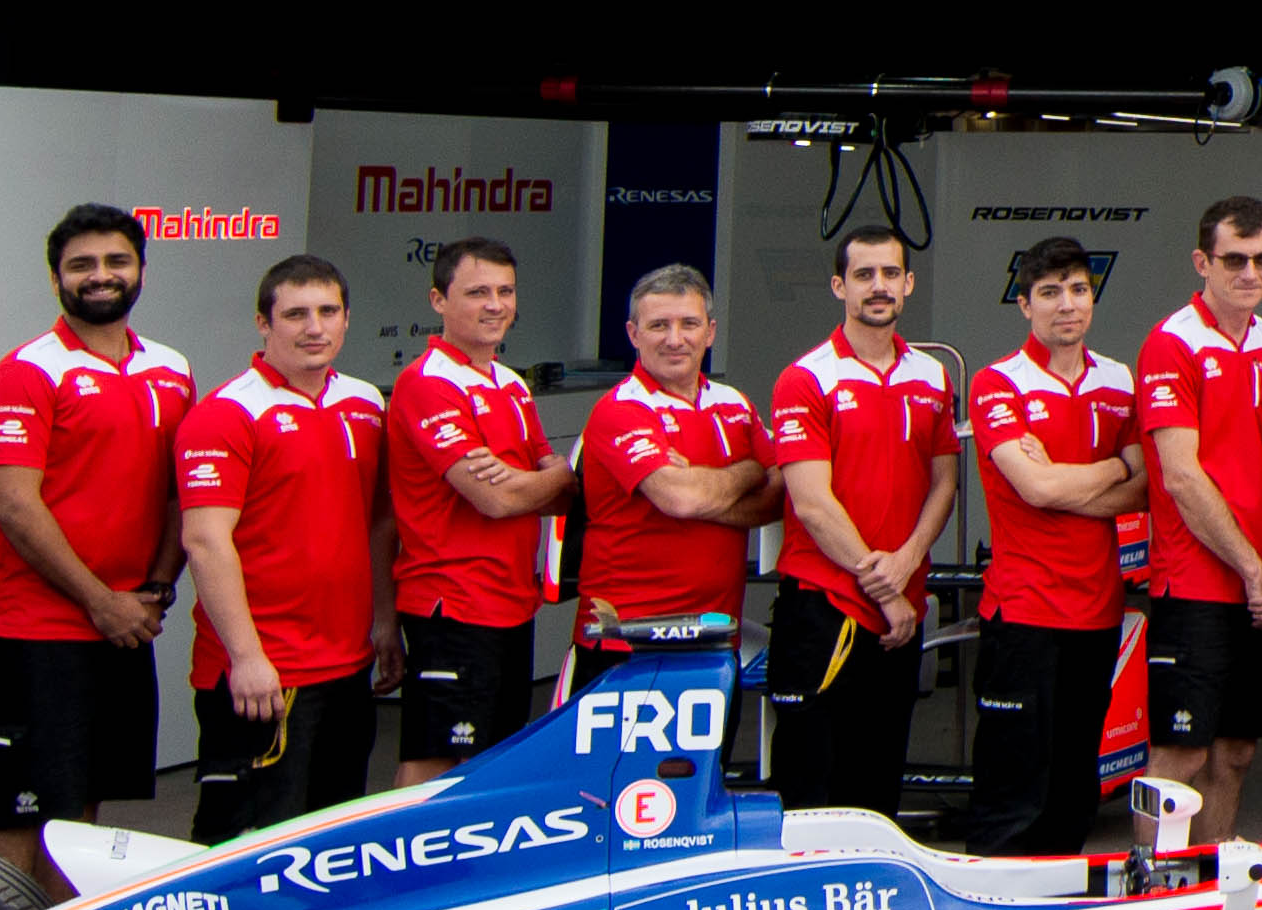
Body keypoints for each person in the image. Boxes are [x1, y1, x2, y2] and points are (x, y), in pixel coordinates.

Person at [0, 201, 190, 888]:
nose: (101, 275)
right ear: (57, 276)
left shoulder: (171, 368)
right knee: (18, 814)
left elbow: (183, 491)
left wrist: (150, 591)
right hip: (34, 629)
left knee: (80, 817)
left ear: (141, 269)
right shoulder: (28, 370)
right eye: (81, 264)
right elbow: (13, 503)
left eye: (116, 261)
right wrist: (101, 600)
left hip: (123, 627)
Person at [177, 252, 391, 845]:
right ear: (264, 324)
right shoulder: (227, 413)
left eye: (328, 311)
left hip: (348, 666)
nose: (314, 327)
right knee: (240, 844)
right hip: (264, 674)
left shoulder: (366, 403)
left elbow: (377, 524)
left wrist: (384, 623)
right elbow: (204, 539)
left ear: (347, 320)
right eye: (295, 314)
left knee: (329, 840)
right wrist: (246, 657)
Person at [763, 229, 960, 818]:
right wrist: (886, 586)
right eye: (864, 274)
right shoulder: (806, 377)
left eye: (890, 274)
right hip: (828, 604)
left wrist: (903, 572)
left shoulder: (930, 375)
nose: (879, 287)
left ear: (908, 284)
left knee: (876, 783)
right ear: (838, 285)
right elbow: (812, 502)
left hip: (902, 603)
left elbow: (944, 483)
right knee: (811, 784)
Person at [1128, 197, 1262, 853]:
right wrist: (1254, 567)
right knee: (1181, 756)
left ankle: (1211, 885)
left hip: (1260, 586)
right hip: (1196, 584)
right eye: (1233, 259)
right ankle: (1149, 887)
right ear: (1202, 261)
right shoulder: (1172, 343)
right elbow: (1180, 475)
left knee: (1234, 751)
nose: (1248, 272)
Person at [961, 239, 1144, 856]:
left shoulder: (1120, 381)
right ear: (1024, 305)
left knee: (1073, 790)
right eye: (1049, 293)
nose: (1066, 305)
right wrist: (1110, 467)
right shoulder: (997, 383)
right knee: (1013, 789)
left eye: (1078, 290)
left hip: (1097, 611)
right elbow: (1034, 487)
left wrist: (1067, 483)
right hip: (1024, 612)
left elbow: (1147, 487)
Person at [385, 234, 573, 782]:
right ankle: (415, 868)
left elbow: (557, 491)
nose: (496, 304)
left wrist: (544, 478)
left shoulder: (509, 383)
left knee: (490, 761)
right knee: (435, 761)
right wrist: (554, 473)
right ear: (439, 301)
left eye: (506, 291)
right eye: (477, 292)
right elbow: (493, 498)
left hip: (509, 602)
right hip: (453, 603)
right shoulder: (427, 384)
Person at [573, 265, 771, 676]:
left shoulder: (735, 403)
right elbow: (680, 497)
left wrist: (706, 490)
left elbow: (779, 496)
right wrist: (746, 472)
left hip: (714, 636)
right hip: (628, 639)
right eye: (659, 325)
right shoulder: (621, 408)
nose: (674, 339)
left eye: (689, 324)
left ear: (710, 332)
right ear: (633, 334)